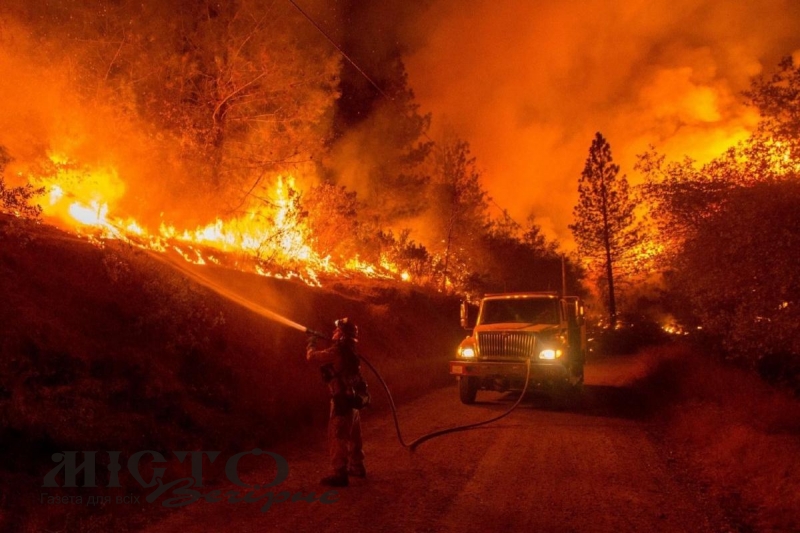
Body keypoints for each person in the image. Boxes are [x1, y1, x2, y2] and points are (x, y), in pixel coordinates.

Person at [306, 317, 369, 487]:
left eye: (337, 331)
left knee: (338, 435)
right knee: (355, 435)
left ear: (342, 336)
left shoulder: (338, 351)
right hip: (352, 401)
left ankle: (339, 473)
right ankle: (357, 466)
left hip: (341, 400)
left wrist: (311, 342)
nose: (333, 333)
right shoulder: (351, 351)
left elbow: (312, 358)